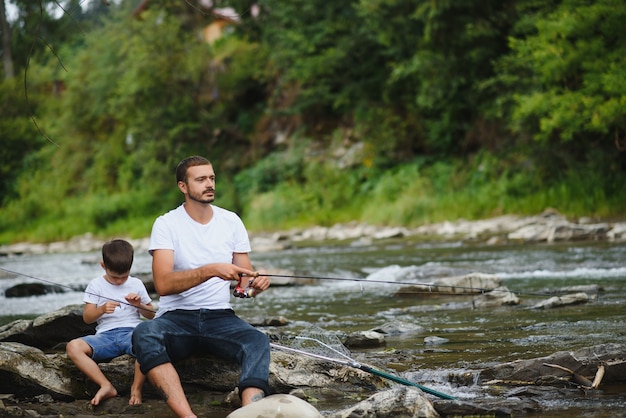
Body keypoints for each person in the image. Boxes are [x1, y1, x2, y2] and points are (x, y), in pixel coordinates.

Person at [132, 155, 271, 418]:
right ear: (183, 186)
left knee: (258, 341)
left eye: (212, 178)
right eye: (201, 179)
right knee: (144, 334)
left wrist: (257, 284)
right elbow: (163, 284)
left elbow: (243, 286)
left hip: (221, 318)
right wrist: (210, 271)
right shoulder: (166, 224)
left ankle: (250, 412)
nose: (209, 184)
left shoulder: (231, 221)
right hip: (176, 320)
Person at [66, 239, 155, 406]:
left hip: (131, 333)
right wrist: (101, 309)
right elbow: (87, 318)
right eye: (115, 277)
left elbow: (151, 315)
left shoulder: (136, 283)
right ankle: (106, 385)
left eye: (124, 276)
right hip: (105, 337)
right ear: (103, 265)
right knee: (73, 347)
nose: (120, 281)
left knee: (148, 341)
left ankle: (136, 388)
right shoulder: (95, 285)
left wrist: (139, 305)